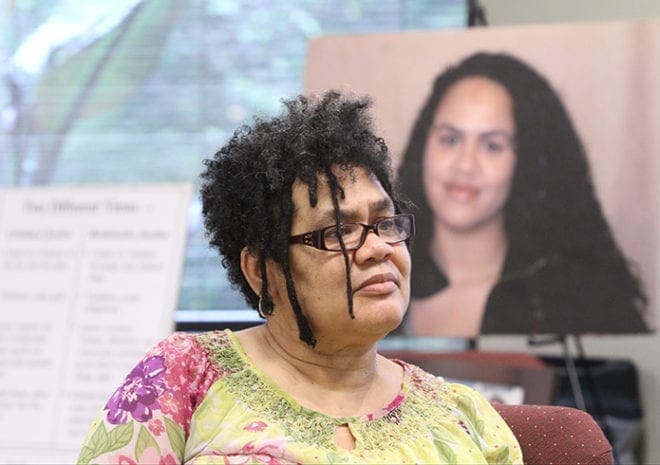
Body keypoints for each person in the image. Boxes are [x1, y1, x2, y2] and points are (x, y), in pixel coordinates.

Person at [77, 91, 522, 464]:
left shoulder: (464, 417)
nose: (377, 248)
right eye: (338, 232)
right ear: (262, 271)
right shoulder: (185, 374)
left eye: (385, 224)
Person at [397, 52, 649, 337]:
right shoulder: (375, 278)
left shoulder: (584, 300)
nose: (465, 165)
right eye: (450, 139)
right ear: (423, 147)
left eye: (492, 146)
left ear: (526, 160)